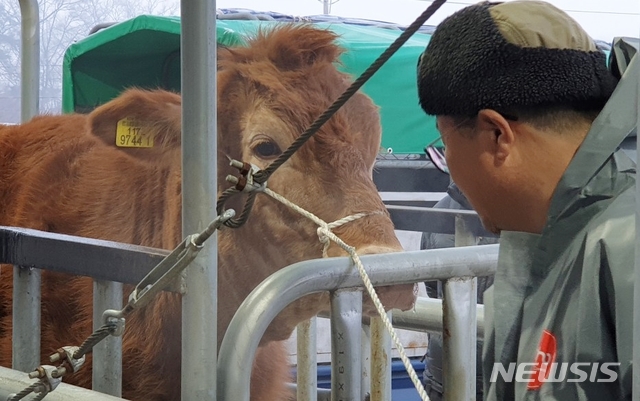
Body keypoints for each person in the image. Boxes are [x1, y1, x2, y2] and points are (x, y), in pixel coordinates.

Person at [416, 1, 635, 399]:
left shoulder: (626, 246)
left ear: (497, 135)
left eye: (444, 141)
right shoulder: (555, 241)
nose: (450, 166)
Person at [421, 181, 498, 401]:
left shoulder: (438, 211)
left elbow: (432, 289)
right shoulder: (527, 212)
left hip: (445, 374)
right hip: (447, 376)